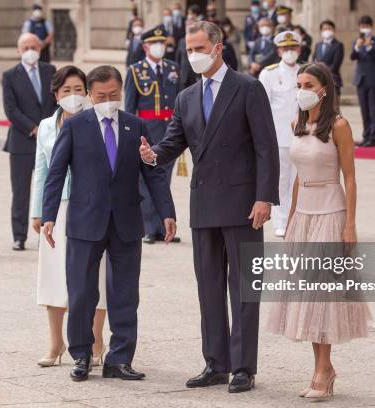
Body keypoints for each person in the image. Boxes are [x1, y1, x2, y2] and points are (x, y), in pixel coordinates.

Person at [139, 21, 280, 393]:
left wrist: (265, 197)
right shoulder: (186, 97)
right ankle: (216, 363)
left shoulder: (248, 88)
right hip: (203, 204)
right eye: (189, 49)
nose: (193, 55)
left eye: (200, 47)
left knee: (244, 289)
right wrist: (152, 156)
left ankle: (243, 368)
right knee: (210, 287)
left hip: (243, 205)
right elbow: (173, 143)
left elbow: (266, 147)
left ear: (218, 47)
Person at [42, 65, 177, 382]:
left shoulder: (136, 125)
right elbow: (56, 173)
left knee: (125, 293)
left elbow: (153, 173)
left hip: (127, 222)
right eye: (101, 96)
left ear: (121, 92)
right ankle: (81, 356)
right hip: (84, 222)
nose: (107, 100)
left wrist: (167, 212)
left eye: (113, 95)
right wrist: (48, 215)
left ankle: (120, 358)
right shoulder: (76, 126)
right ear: (90, 95)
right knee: (81, 293)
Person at [267, 62, 370, 399]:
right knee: (306, 295)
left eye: (308, 83)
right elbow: (297, 177)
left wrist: (350, 223)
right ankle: (322, 367)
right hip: (305, 215)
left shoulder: (339, 125)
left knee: (323, 295)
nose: (302, 90)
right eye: (299, 84)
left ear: (324, 88)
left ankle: (323, 370)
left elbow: (351, 178)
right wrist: (292, 216)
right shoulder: (296, 123)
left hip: (331, 212)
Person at [31, 66, 108, 368]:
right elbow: (42, 170)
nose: (74, 97)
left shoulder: (100, 122)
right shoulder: (47, 127)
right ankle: (55, 342)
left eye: (79, 90)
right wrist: (39, 210)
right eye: (67, 91)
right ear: (56, 95)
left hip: (91, 207)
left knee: (96, 273)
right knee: (53, 276)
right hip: (58, 208)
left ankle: (96, 339)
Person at [125, 26, 181, 244]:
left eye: (163, 43)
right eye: (155, 43)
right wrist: (131, 135)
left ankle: (162, 226)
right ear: (145, 46)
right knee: (145, 180)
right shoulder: (135, 71)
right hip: (146, 131)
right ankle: (149, 227)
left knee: (164, 179)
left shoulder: (173, 68)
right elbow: (130, 107)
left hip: (170, 131)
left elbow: (178, 101)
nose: (160, 47)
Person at [2, 33, 57, 251]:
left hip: (49, 139)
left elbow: (56, 100)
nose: (30, 50)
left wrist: (47, 126)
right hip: (21, 141)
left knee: (48, 187)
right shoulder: (9, 75)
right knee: (21, 191)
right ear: (19, 50)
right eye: (25, 47)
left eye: (34, 46)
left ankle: (47, 230)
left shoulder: (50, 71)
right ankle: (19, 236)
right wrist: (33, 128)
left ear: (41, 47)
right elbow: (10, 109)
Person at [259, 31, 301, 238]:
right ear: (278, 50)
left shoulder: (306, 71)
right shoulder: (269, 73)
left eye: (293, 48)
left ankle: (297, 219)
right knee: (281, 180)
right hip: (279, 135)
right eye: (286, 48)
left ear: (299, 50)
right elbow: (262, 106)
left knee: (300, 180)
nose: (290, 52)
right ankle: (282, 221)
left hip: (303, 136)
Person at [351, 15, 375, 147]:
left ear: (372, 27)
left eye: (367, 26)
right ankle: (366, 135)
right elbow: (353, 56)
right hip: (360, 80)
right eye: (363, 26)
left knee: (374, 110)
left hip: (374, 80)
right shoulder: (358, 41)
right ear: (359, 27)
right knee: (364, 111)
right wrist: (357, 47)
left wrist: (370, 47)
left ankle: (373, 137)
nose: (365, 29)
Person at [312, 19, 344, 96]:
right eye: (324, 29)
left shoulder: (338, 45)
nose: (326, 31)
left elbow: (336, 65)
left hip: (333, 80)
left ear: (333, 30)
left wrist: (323, 75)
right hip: (318, 82)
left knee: (334, 107)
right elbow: (314, 61)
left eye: (329, 28)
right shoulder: (318, 45)